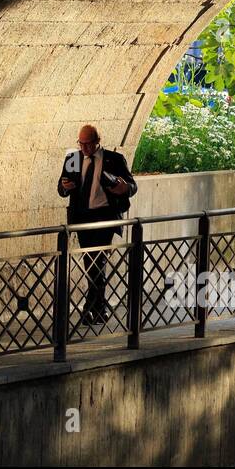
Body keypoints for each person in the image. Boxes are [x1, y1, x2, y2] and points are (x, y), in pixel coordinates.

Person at [57, 125, 137, 325]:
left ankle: (89, 308)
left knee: (98, 261)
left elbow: (132, 186)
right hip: (82, 218)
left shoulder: (113, 160)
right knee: (90, 262)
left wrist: (124, 188)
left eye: (88, 143)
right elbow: (61, 188)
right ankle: (98, 308)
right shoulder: (74, 159)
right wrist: (65, 187)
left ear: (97, 141)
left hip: (104, 217)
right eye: (81, 143)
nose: (84, 148)